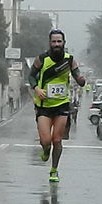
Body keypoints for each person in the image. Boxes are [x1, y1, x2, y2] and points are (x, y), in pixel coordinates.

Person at [29, 29, 86, 182]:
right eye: (53, 41)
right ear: (49, 43)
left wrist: (81, 80)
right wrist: (37, 89)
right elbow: (31, 75)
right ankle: (45, 150)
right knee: (46, 140)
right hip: (44, 106)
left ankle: (54, 170)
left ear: (64, 43)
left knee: (57, 140)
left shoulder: (69, 60)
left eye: (59, 41)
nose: (56, 44)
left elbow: (77, 75)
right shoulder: (41, 59)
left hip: (62, 105)